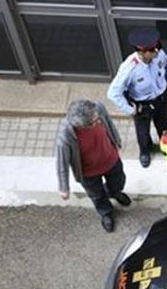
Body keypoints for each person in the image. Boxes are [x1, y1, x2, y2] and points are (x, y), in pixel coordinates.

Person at [56, 99, 132, 232]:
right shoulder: (66, 135)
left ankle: (114, 192)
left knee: (118, 182)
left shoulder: (98, 108)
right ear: (82, 126)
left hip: (110, 159)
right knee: (96, 195)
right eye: (94, 122)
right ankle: (106, 212)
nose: (98, 122)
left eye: (97, 119)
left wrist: (117, 140)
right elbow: (62, 161)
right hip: (88, 172)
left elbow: (109, 122)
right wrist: (64, 187)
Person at [107, 28, 167, 168]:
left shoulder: (159, 55)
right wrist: (130, 110)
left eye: (157, 48)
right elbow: (113, 92)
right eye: (153, 50)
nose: (157, 52)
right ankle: (145, 151)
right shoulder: (129, 68)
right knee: (143, 131)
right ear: (142, 52)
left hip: (162, 98)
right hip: (142, 104)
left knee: (165, 126)